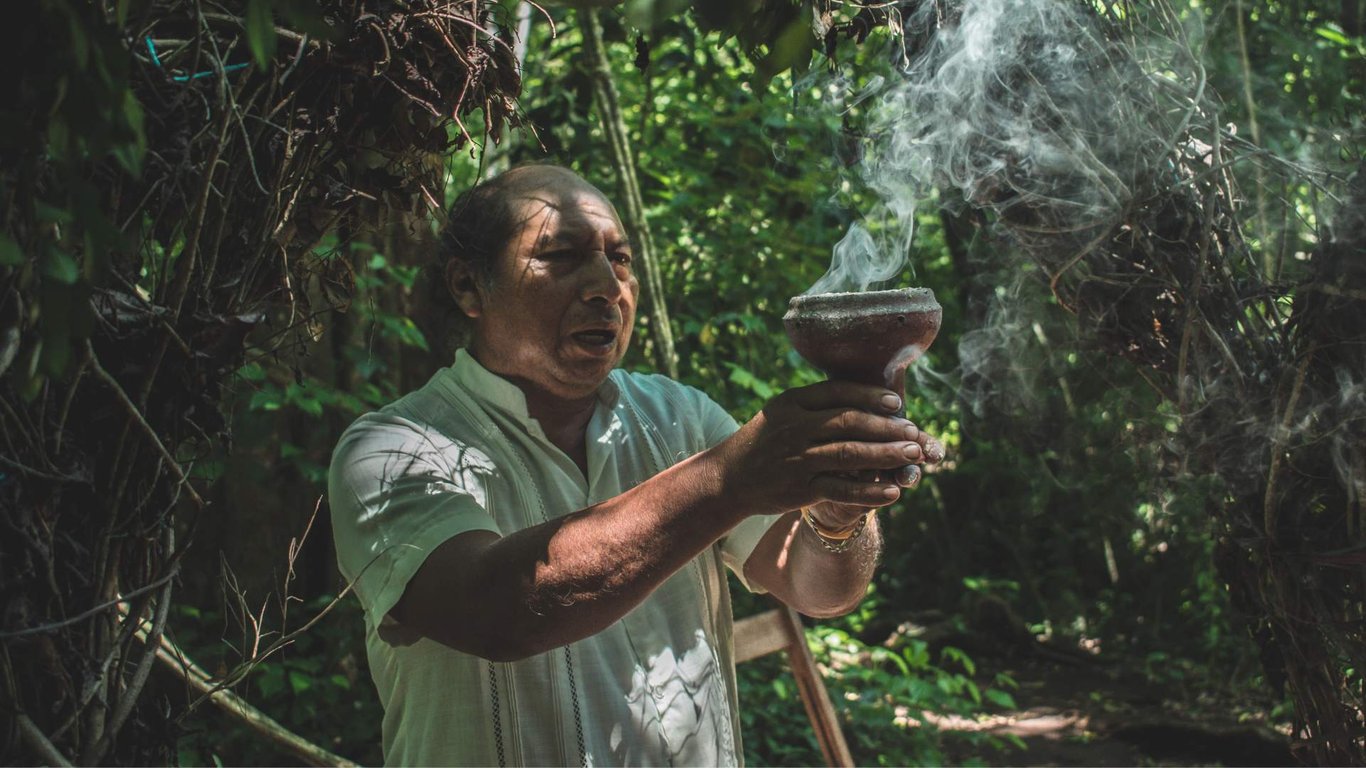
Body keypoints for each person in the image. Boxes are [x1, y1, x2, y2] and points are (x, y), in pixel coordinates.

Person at [328, 164, 943, 766]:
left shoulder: (679, 416)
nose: (606, 286)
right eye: (561, 256)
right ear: (469, 287)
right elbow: (495, 611)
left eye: (620, 259)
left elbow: (816, 588)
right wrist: (732, 478)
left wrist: (838, 511)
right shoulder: (392, 449)